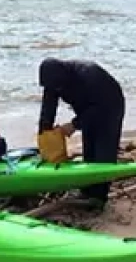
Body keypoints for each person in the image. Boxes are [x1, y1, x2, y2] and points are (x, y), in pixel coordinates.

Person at [36, 58, 126, 206]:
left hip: (109, 107)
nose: (57, 90)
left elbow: (100, 108)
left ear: (64, 77)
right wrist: (44, 131)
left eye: (59, 87)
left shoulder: (89, 75)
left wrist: (74, 124)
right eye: (54, 88)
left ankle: (99, 198)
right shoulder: (53, 81)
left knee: (103, 152)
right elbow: (48, 107)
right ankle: (87, 191)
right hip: (86, 108)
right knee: (89, 151)